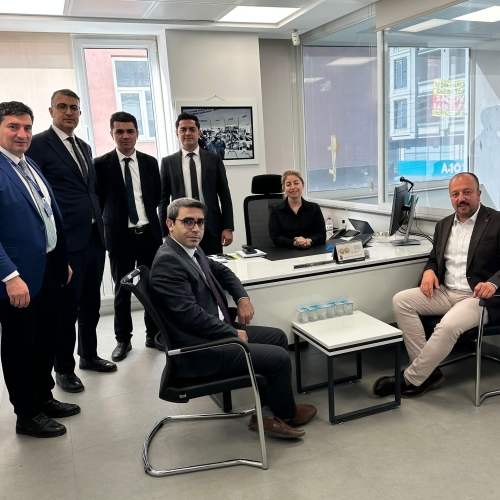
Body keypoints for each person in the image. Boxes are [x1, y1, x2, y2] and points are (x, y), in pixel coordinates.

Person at [150, 198, 317, 438]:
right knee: (280, 358)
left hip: (214, 332)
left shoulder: (189, 250)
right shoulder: (169, 261)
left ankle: (270, 411)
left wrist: (242, 298)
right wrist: (230, 333)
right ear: (170, 224)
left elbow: (221, 270)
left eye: (200, 222)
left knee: (278, 337)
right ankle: (286, 413)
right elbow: (189, 316)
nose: (196, 228)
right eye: (188, 222)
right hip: (200, 349)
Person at [373, 173, 500, 398]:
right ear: (450, 198)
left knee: (447, 326)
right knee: (401, 301)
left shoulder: (497, 221)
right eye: (455, 194)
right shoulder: (443, 225)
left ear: (479, 194)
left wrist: (493, 283)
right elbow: (434, 258)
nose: (461, 198)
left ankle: (411, 378)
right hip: (446, 292)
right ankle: (428, 373)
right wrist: (429, 271)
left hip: (478, 297)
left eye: (467, 192)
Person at [26, 89, 116, 394]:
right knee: (66, 308)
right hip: (65, 240)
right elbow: (36, 194)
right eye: (62, 107)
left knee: (91, 303)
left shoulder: (84, 146)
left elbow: (89, 190)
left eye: (74, 108)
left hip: (93, 236)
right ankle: (64, 368)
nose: (69, 112)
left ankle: (89, 355)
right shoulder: (38, 144)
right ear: (51, 111)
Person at [0, 101, 80, 438]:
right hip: (16, 277)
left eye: (27, 127)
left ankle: (43, 397)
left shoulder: (28, 164)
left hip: (46, 268)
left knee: (46, 336)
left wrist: (60, 260)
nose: (22, 134)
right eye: (13, 126)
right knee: (20, 346)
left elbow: (46, 215)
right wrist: (9, 276)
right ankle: (27, 413)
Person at [94, 111, 162, 361]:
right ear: (112, 133)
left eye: (130, 131)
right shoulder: (101, 164)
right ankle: (123, 340)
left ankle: (153, 334)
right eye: (119, 131)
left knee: (152, 287)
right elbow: (99, 200)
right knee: (122, 290)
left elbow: (156, 196)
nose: (125, 136)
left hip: (149, 235)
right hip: (119, 236)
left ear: (137, 133)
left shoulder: (150, 162)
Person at [158, 112, 234, 256]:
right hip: (181, 228)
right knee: (184, 267)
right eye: (183, 129)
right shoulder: (168, 162)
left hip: (210, 227)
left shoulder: (214, 159)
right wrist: (164, 233)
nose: (188, 133)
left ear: (199, 132)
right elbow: (163, 201)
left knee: (212, 267)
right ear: (177, 133)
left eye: (192, 129)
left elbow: (224, 195)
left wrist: (227, 227)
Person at [268, 169, 326, 248]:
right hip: (285, 252)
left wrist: (308, 241)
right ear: (284, 188)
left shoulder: (314, 208)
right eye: (288, 184)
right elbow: (275, 237)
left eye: (296, 183)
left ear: (303, 185)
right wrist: (294, 243)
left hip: (311, 250)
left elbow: (322, 234)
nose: (292, 187)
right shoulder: (276, 210)